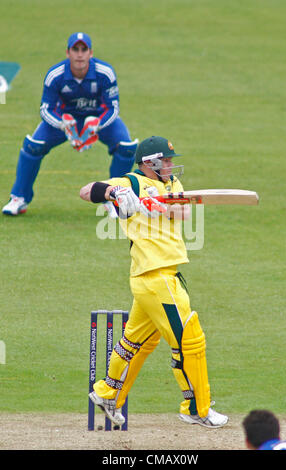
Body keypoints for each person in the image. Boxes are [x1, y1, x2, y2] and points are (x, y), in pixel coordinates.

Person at [80, 135, 228, 428]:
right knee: (190, 339)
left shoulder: (172, 184)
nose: (172, 165)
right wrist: (114, 194)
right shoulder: (132, 183)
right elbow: (86, 191)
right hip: (154, 275)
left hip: (163, 275)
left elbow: (184, 211)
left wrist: (153, 206)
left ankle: (108, 393)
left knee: (135, 343)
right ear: (150, 163)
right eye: (168, 161)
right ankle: (196, 407)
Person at [2, 32, 138, 216]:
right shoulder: (55, 75)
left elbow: (113, 108)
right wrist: (62, 124)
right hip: (65, 120)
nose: (79, 54)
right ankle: (19, 198)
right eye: (75, 49)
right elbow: (45, 110)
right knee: (33, 147)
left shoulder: (105, 72)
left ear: (91, 53)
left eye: (84, 49)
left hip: (97, 120)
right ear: (68, 53)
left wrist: (97, 125)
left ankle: (114, 200)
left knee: (127, 148)